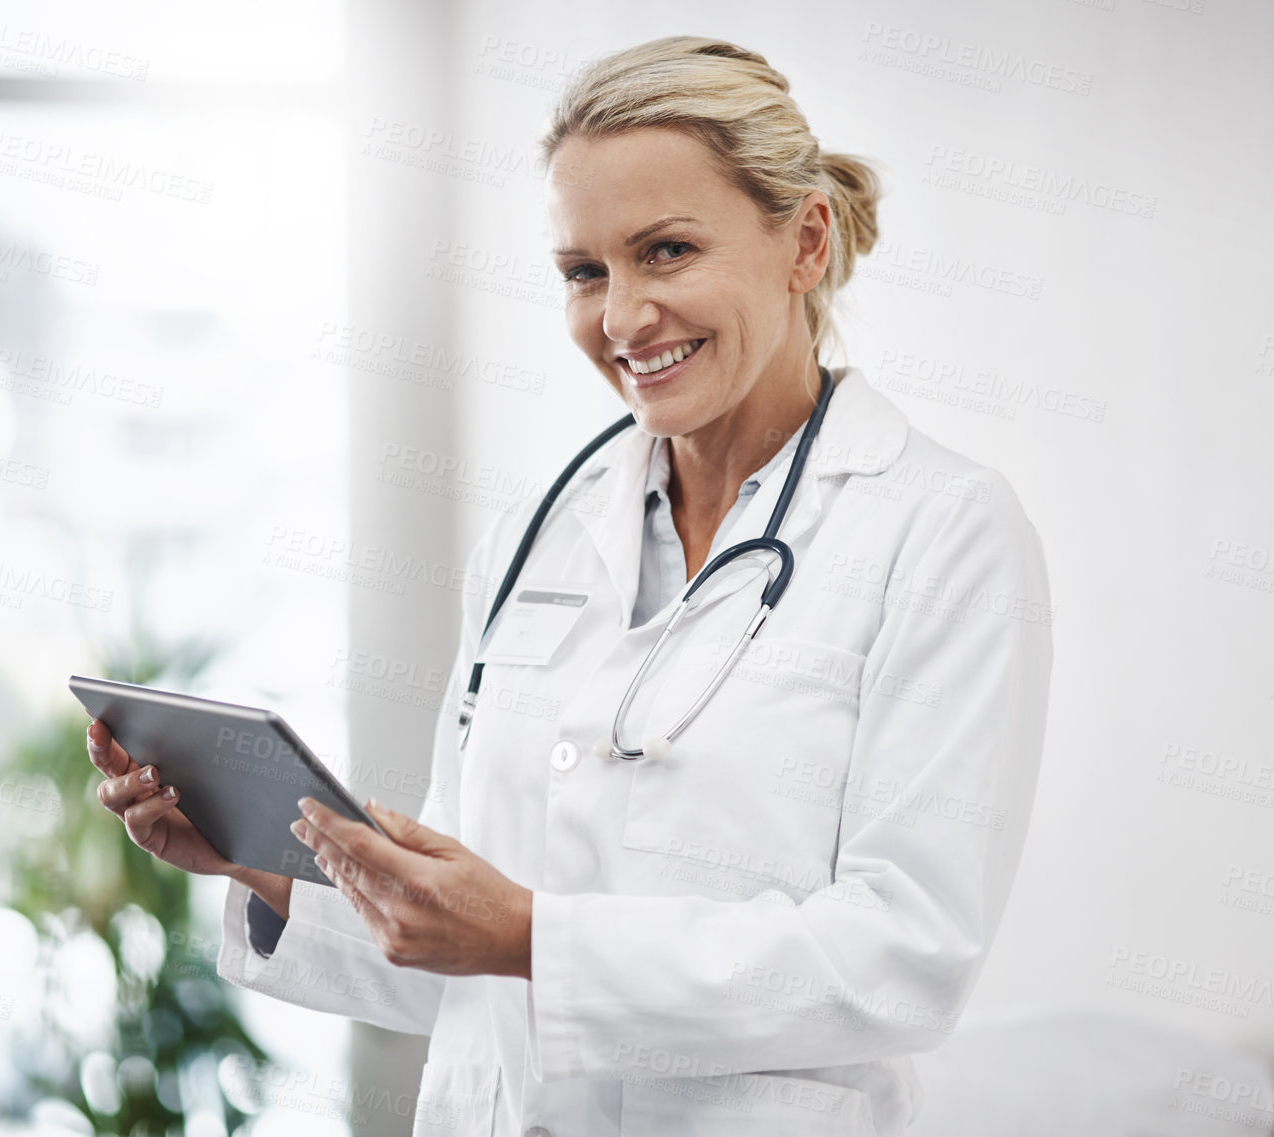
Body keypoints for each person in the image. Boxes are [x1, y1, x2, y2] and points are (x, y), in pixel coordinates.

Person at [87, 34, 1053, 1137]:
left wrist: (532, 939)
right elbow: (447, 948)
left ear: (805, 239)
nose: (623, 317)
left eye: (668, 251)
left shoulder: (937, 528)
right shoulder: (536, 533)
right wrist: (252, 863)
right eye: (583, 272)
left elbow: (902, 955)